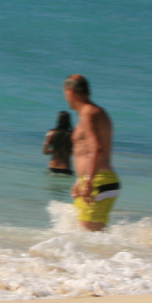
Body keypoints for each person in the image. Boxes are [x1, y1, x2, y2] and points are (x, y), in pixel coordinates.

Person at [63, 74, 120, 230]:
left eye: (65, 94)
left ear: (70, 91)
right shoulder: (91, 113)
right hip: (95, 180)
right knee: (86, 240)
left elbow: (96, 149)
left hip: (98, 181)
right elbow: (88, 151)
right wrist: (80, 181)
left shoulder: (89, 113)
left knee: (86, 236)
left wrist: (88, 181)